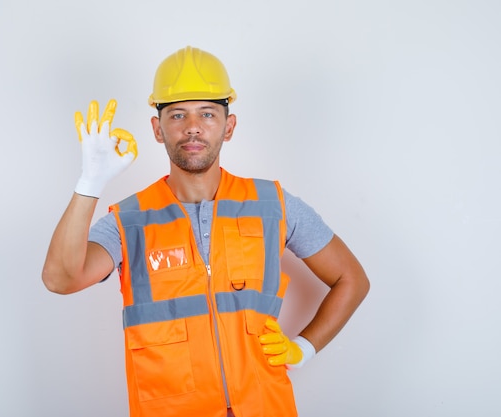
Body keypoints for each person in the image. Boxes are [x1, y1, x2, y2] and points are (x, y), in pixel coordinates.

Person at [42, 46, 370, 417]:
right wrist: (90, 183)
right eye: (178, 114)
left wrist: (304, 348)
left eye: (208, 114)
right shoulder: (128, 220)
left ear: (229, 127)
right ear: (157, 128)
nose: (193, 126)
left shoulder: (273, 204)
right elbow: (60, 279)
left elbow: (352, 279)